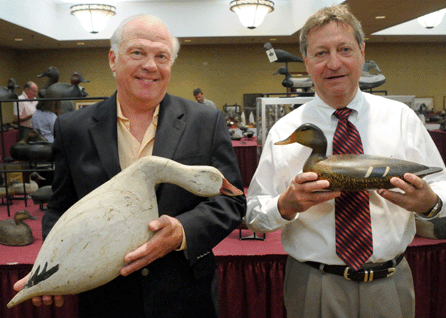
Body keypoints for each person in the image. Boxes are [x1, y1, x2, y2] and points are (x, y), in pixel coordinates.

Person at [13, 14, 245, 318]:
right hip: (105, 300)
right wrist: (55, 265)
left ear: (170, 64)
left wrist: (182, 231)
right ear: (113, 59)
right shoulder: (73, 128)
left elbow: (232, 200)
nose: (150, 65)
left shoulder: (206, 121)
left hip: (186, 298)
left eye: (161, 56)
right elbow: (60, 206)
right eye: (137, 53)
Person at [245, 4, 446, 318]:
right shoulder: (286, 131)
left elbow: (441, 185)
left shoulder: (402, 119)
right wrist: (286, 204)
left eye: (344, 49)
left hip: (389, 285)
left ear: (362, 53)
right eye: (321, 53)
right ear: (307, 62)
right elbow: (254, 214)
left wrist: (430, 203)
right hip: (314, 286)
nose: (334, 63)